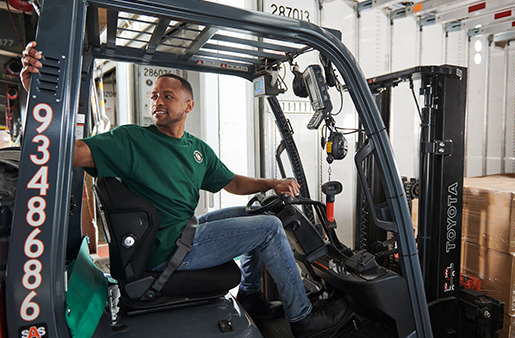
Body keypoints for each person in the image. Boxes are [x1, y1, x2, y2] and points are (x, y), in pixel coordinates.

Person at [21, 41, 353, 338]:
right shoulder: (131, 140)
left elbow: (233, 183)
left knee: (258, 212)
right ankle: (304, 318)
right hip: (167, 249)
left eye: (168, 96)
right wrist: (39, 97)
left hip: (182, 231)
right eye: (155, 95)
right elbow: (73, 151)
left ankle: (251, 296)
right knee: (269, 228)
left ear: (188, 106)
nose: (158, 101)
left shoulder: (196, 149)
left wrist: (270, 184)